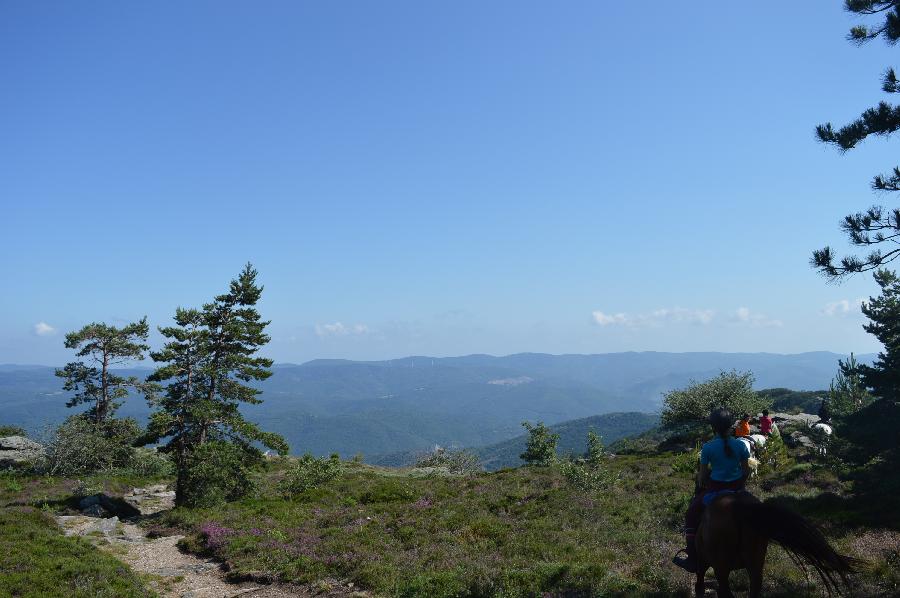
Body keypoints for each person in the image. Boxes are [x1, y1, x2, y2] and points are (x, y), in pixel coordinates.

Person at [673, 407, 752, 573]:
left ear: (713, 427)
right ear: (731, 426)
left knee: (691, 513)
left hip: (715, 490)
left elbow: (702, 477)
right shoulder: (741, 445)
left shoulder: (708, 448)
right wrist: (739, 485)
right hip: (738, 489)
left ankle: (692, 558)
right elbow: (746, 471)